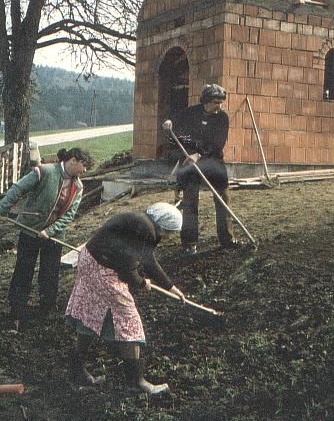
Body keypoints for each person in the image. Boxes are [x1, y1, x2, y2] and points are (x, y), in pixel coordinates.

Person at [65, 202, 185, 395]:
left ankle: (76, 371)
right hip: (103, 269)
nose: (169, 237)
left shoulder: (142, 222)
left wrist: (171, 287)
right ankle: (136, 382)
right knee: (129, 319)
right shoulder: (145, 230)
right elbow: (127, 266)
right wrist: (140, 282)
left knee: (90, 312)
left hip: (90, 261)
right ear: (164, 227)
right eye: (170, 233)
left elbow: (147, 259)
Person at [0, 147, 93, 328]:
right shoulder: (45, 171)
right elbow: (18, 188)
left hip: (54, 236)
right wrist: (3, 209)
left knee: (50, 272)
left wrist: (50, 232)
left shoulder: (78, 187)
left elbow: (68, 215)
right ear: (73, 160)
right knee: (24, 269)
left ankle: (46, 310)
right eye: (84, 165)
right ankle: (16, 309)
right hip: (30, 229)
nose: (85, 170)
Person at [162, 84, 240, 255]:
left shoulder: (222, 118)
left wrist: (199, 154)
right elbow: (174, 118)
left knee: (223, 199)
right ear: (205, 101)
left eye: (221, 102)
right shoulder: (192, 112)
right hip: (191, 164)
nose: (218, 105)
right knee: (190, 202)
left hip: (213, 161)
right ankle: (190, 243)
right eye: (215, 102)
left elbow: (217, 144)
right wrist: (169, 122)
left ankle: (227, 239)